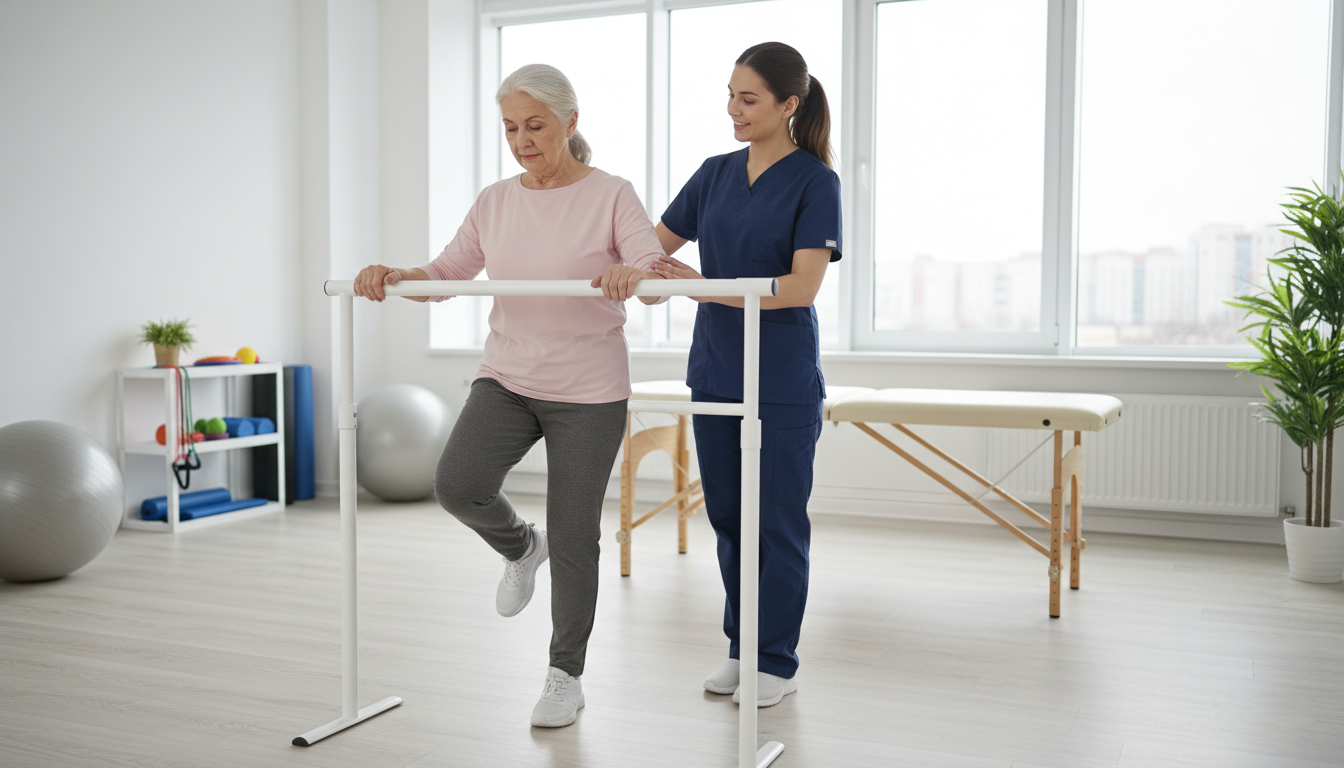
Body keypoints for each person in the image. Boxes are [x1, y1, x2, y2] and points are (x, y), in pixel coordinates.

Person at [352, 63, 663, 728]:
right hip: (509, 377)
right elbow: (446, 273)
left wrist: (633, 274)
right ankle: (522, 547)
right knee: (457, 484)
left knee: (575, 536)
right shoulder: (495, 201)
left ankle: (565, 676)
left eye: (535, 126)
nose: (522, 140)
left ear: (570, 123)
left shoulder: (611, 194)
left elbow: (653, 272)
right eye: (511, 128)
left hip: (589, 389)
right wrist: (399, 275)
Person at [650, 42, 841, 708]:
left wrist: (696, 285)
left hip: (780, 377)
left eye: (749, 98)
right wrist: (638, 274)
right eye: (730, 95)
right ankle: (742, 648)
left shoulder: (816, 182)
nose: (734, 109)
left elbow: (799, 288)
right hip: (715, 372)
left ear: (789, 105)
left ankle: (776, 661)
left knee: (775, 524)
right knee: (729, 518)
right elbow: (651, 250)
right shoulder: (713, 174)